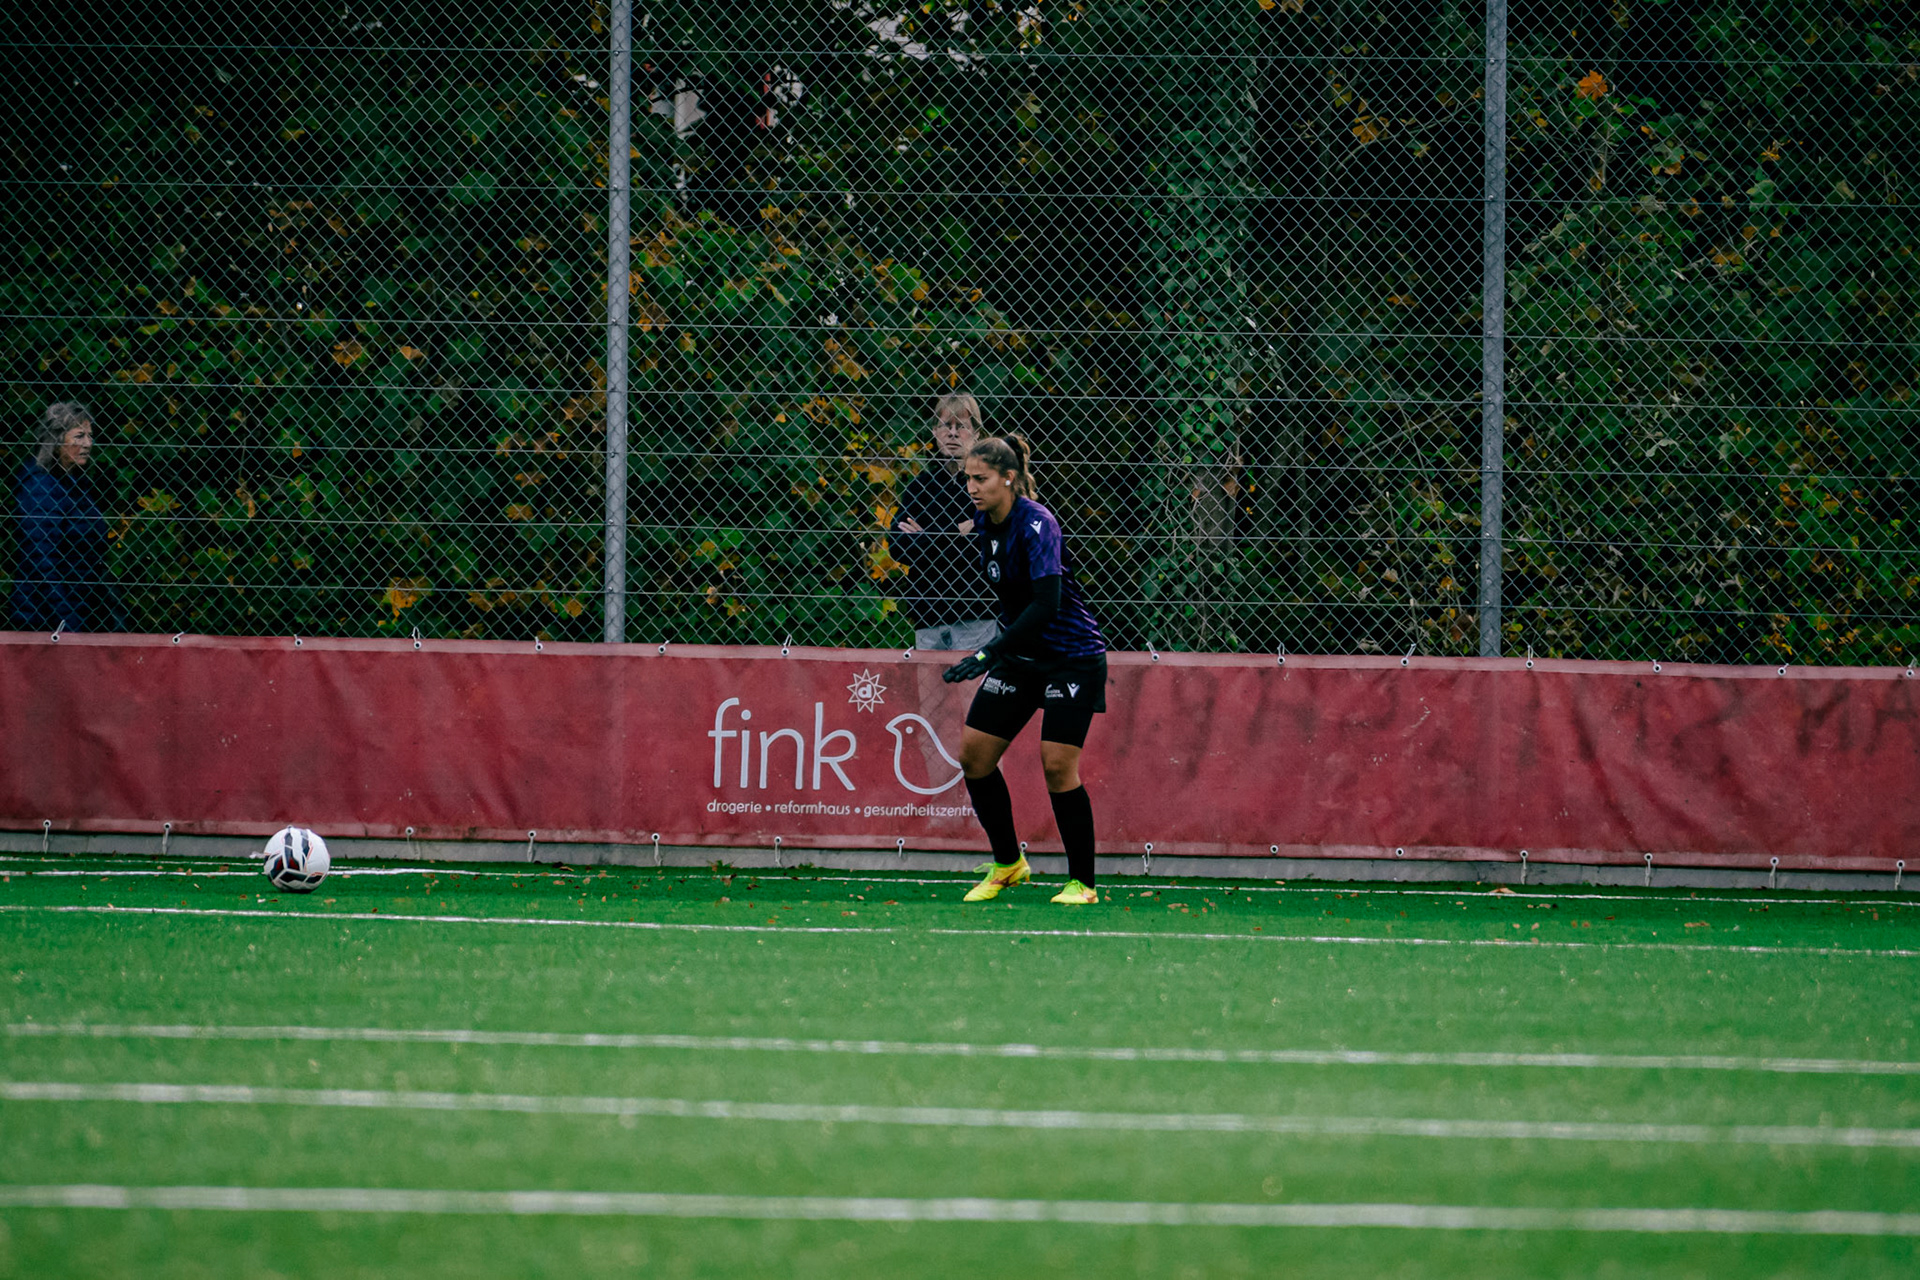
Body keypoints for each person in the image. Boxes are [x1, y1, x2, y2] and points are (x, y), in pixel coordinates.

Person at [942, 434, 1107, 905]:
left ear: (1008, 478)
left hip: (1070, 658)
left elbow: (1046, 604)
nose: (971, 487)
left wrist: (989, 652)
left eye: (981, 478)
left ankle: (1083, 883)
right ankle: (1009, 864)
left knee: (1057, 767)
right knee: (974, 757)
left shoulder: (1039, 525)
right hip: (1021, 658)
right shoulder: (983, 520)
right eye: (968, 479)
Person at [890, 392, 998, 651]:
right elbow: (898, 546)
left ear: (977, 434)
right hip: (928, 616)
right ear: (934, 431)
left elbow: (986, 545)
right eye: (945, 425)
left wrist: (925, 539)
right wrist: (957, 531)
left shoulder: (986, 486)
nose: (952, 433)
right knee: (930, 691)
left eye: (961, 426)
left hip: (977, 612)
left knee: (976, 690)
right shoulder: (920, 487)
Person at [11, 402, 118, 633]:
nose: (88, 444)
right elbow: (41, 558)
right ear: (57, 439)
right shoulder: (40, 487)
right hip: (45, 617)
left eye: (90, 436)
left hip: (81, 610)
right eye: (79, 436)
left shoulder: (76, 485)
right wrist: (67, 621)